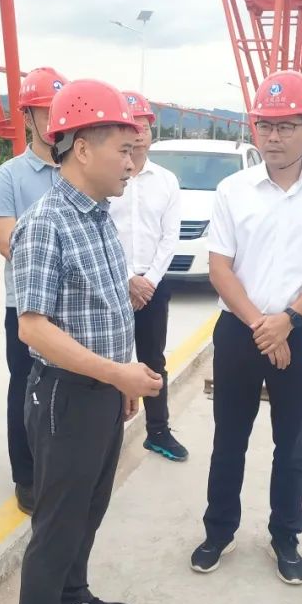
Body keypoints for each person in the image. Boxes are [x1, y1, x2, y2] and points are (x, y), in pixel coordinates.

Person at [10, 79, 163, 604]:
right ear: (81, 148)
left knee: (90, 508)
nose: (132, 161)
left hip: (100, 391)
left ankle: (71, 599)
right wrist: (115, 375)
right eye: (122, 149)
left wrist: (120, 378)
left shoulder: (98, 216)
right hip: (66, 397)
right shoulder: (46, 223)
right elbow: (34, 327)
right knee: (57, 523)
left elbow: (104, 307)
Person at [190, 70, 302, 585]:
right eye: (265, 126)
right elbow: (219, 267)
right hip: (241, 330)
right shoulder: (232, 190)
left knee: (291, 442)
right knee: (229, 438)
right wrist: (264, 326)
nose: (273, 137)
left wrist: (289, 321)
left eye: (286, 126)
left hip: (299, 333)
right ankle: (219, 531)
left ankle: (285, 537)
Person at [0, 66, 67, 515]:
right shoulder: (10, 176)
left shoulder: (79, 169)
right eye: (45, 111)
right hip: (28, 305)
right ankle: (27, 475)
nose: (54, 120)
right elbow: (6, 242)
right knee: (26, 389)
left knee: (70, 389)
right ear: (27, 117)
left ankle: (61, 469)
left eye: (61, 110)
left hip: (73, 308)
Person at [108, 90, 187, 461]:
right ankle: (106, 432)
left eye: (144, 126)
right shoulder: (107, 178)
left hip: (153, 286)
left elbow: (171, 236)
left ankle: (157, 431)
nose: (138, 133)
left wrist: (149, 281)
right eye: (131, 126)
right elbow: (102, 230)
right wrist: (127, 278)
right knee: (110, 359)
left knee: (153, 359)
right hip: (111, 283)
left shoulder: (167, 181)